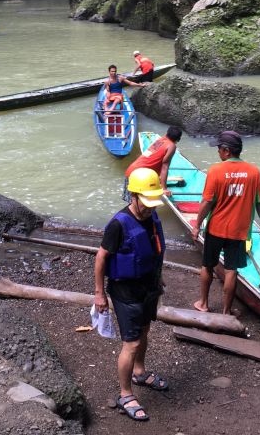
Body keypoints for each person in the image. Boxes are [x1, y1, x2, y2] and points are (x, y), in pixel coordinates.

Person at [94, 167, 169, 422]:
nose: (149, 208)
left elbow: (153, 251)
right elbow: (101, 257)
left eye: (152, 203)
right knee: (132, 342)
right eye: (145, 203)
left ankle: (140, 371)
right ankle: (125, 394)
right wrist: (99, 294)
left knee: (145, 332)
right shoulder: (118, 224)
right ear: (133, 196)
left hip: (148, 286)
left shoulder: (152, 216)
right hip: (125, 291)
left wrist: (158, 278)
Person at [192, 131, 260, 315]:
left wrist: (197, 224)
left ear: (226, 150)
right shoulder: (254, 172)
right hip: (239, 231)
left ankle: (203, 304)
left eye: (219, 148)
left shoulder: (216, 170)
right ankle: (226, 311)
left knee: (207, 266)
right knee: (231, 270)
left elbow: (207, 202)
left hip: (216, 228)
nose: (218, 152)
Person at [124, 126, 182, 202]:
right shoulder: (171, 146)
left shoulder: (160, 140)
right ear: (178, 139)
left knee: (133, 205)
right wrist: (164, 189)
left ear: (167, 134)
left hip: (131, 171)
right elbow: (165, 167)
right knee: (141, 206)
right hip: (140, 177)